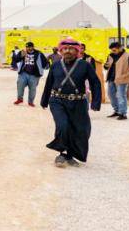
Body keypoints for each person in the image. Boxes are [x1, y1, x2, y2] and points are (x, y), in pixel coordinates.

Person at [40, 38, 102, 167]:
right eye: (65, 49)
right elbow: (49, 82)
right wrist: (44, 99)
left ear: (77, 51)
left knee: (81, 130)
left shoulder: (85, 65)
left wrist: (96, 101)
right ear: (61, 51)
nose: (68, 51)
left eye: (71, 49)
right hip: (57, 101)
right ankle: (61, 154)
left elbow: (95, 83)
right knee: (63, 125)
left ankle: (70, 155)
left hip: (79, 102)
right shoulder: (56, 65)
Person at [104, 40, 129, 120]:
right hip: (111, 79)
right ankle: (117, 111)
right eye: (112, 50)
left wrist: (127, 74)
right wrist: (106, 66)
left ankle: (123, 113)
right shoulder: (110, 55)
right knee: (111, 95)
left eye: (114, 50)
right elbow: (106, 67)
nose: (113, 52)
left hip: (122, 80)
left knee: (121, 96)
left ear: (120, 48)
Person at [12, 41, 48, 106]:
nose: (28, 48)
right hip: (23, 73)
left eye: (30, 47)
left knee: (32, 89)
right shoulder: (23, 52)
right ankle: (20, 99)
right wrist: (20, 56)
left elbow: (45, 62)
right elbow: (15, 60)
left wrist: (40, 70)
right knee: (20, 85)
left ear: (33, 47)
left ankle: (30, 102)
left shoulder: (39, 53)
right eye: (27, 47)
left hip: (34, 75)